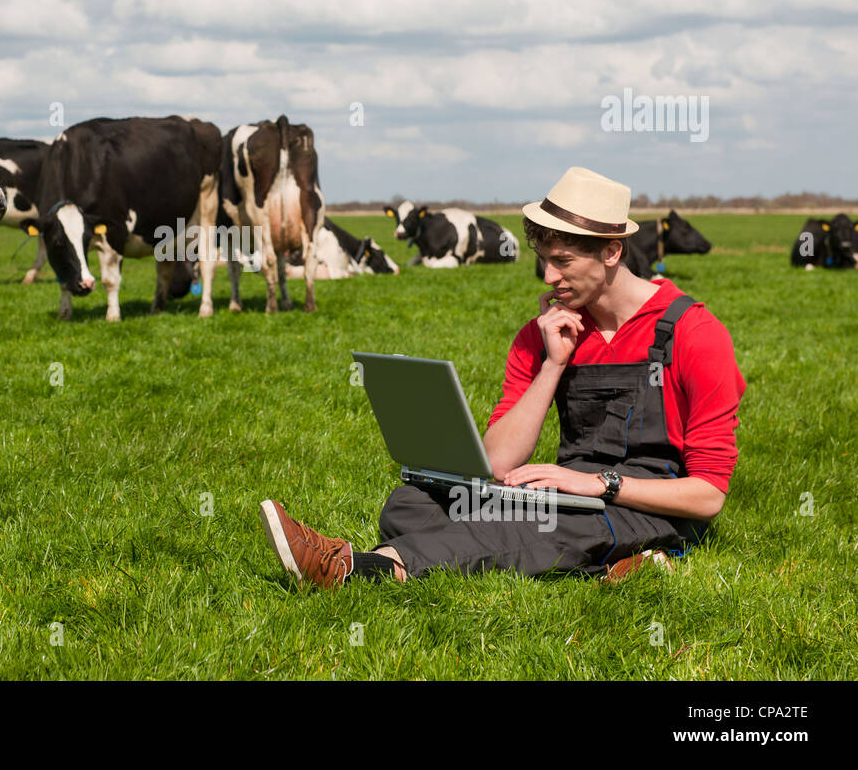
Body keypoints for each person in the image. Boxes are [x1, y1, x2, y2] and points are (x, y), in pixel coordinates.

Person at [260, 167, 745, 586]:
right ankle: (605, 563)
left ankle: (360, 569)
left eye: (563, 262)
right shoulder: (543, 334)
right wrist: (553, 364)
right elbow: (497, 462)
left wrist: (600, 484)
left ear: (612, 253)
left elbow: (707, 496)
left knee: (542, 525)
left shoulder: (694, 334)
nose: (549, 278)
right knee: (412, 501)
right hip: (566, 494)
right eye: (544, 261)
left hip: (647, 507)